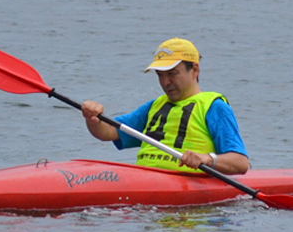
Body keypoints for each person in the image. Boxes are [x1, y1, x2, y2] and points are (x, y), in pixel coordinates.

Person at [81, 38, 249, 175]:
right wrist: (93, 118)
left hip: (185, 190)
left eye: (172, 74)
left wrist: (206, 159)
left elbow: (241, 163)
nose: (165, 82)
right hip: (144, 180)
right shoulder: (154, 107)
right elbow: (108, 132)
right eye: (160, 75)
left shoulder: (215, 107)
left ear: (194, 70)